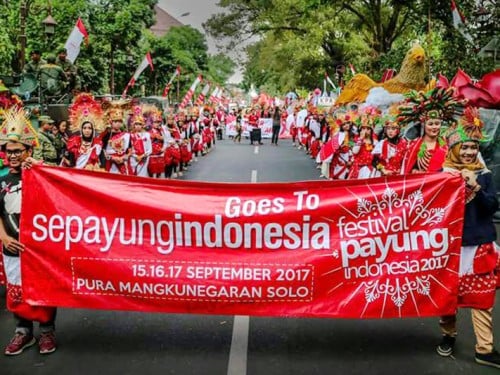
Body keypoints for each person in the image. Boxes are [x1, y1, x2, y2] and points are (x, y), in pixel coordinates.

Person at [437, 106, 500, 369]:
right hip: (450, 247)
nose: (468, 152)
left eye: (473, 148)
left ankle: (484, 349)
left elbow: (491, 207)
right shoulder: (440, 177)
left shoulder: (484, 176)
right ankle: (448, 336)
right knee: (447, 297)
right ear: (453, 150)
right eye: (463, 147)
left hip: (479, 243)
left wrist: (474, 185)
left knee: (482, 299)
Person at [0, 107, 57, 356]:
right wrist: (2, 236)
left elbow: (59, 191)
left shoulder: (41, 173)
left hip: (40, 247)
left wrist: (39, 168)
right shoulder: (2, 179)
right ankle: (23, 332)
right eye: (8, 151)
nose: (12, 156)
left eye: (17, 151)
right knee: (16, 291)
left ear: (29, 151)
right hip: (11, 245)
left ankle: (46, 332)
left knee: (44, 289)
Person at [62, 93, 104, 170]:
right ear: (81, 129)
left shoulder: (98, 143)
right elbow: (71, 163)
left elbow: (103, 163)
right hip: (78, 175)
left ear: (93, 129)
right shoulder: (74, 142)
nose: (87, 130)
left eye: (89, 128)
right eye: (84, 128)